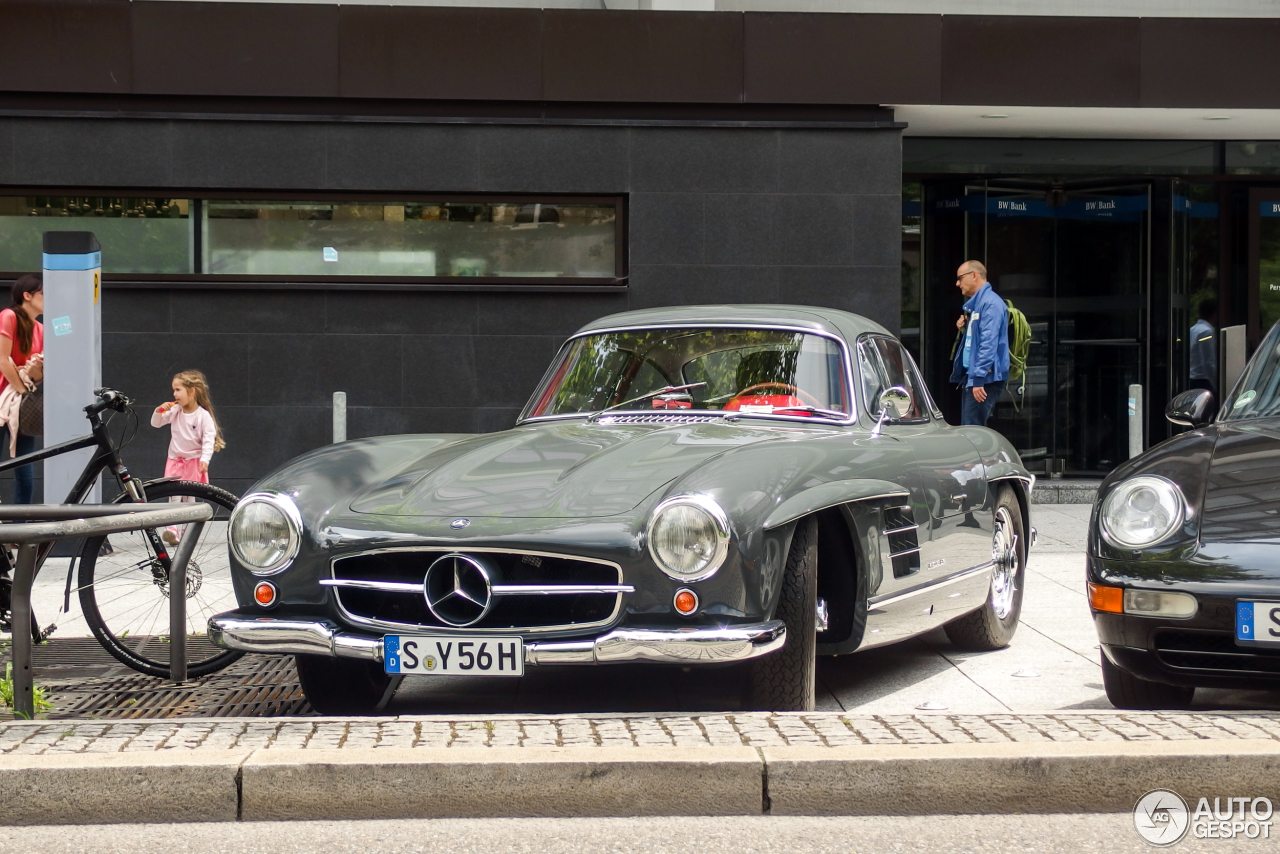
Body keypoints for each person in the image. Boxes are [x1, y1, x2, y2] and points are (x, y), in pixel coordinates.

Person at [152, 370, 225, 544]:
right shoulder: (175, 411)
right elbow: (156, 423)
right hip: (175, 461)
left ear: (191, 391)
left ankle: (185, 529)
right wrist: (158, 410)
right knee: (174, 495)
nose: (174, 394)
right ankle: (171, 527)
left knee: (189, 497)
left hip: (193, 462)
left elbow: (208, 440)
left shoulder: (202, 416)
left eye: (178, 390)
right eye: (174, 390)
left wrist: (204, 460)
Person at [0, 274, 44, 504]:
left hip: (23, 405)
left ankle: (19, 532)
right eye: (43, 294)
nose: (47, 299)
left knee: (25, 470)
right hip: (3, 400)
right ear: (27, 296)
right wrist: (23, 391)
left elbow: (38, 375)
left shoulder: (42, 329)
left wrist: (37, 370)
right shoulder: (9, 316)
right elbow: (2, 360)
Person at [949, 260, 1009, 427]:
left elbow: (988, 343)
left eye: (960, 278)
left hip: (984, 379)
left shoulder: (990, 304)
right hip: (977, 377)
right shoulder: (978, 305)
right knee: (971, 428)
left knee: (973, 432)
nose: (957, 283)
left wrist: (978, 378)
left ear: (974, 275)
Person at [1189, 297, 1218, 397]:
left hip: (1192, 379)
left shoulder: (1192, 330)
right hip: (1203, 382)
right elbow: (1208, 361)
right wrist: (1215, 383)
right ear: (1214, 314)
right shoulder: (1206, 332)